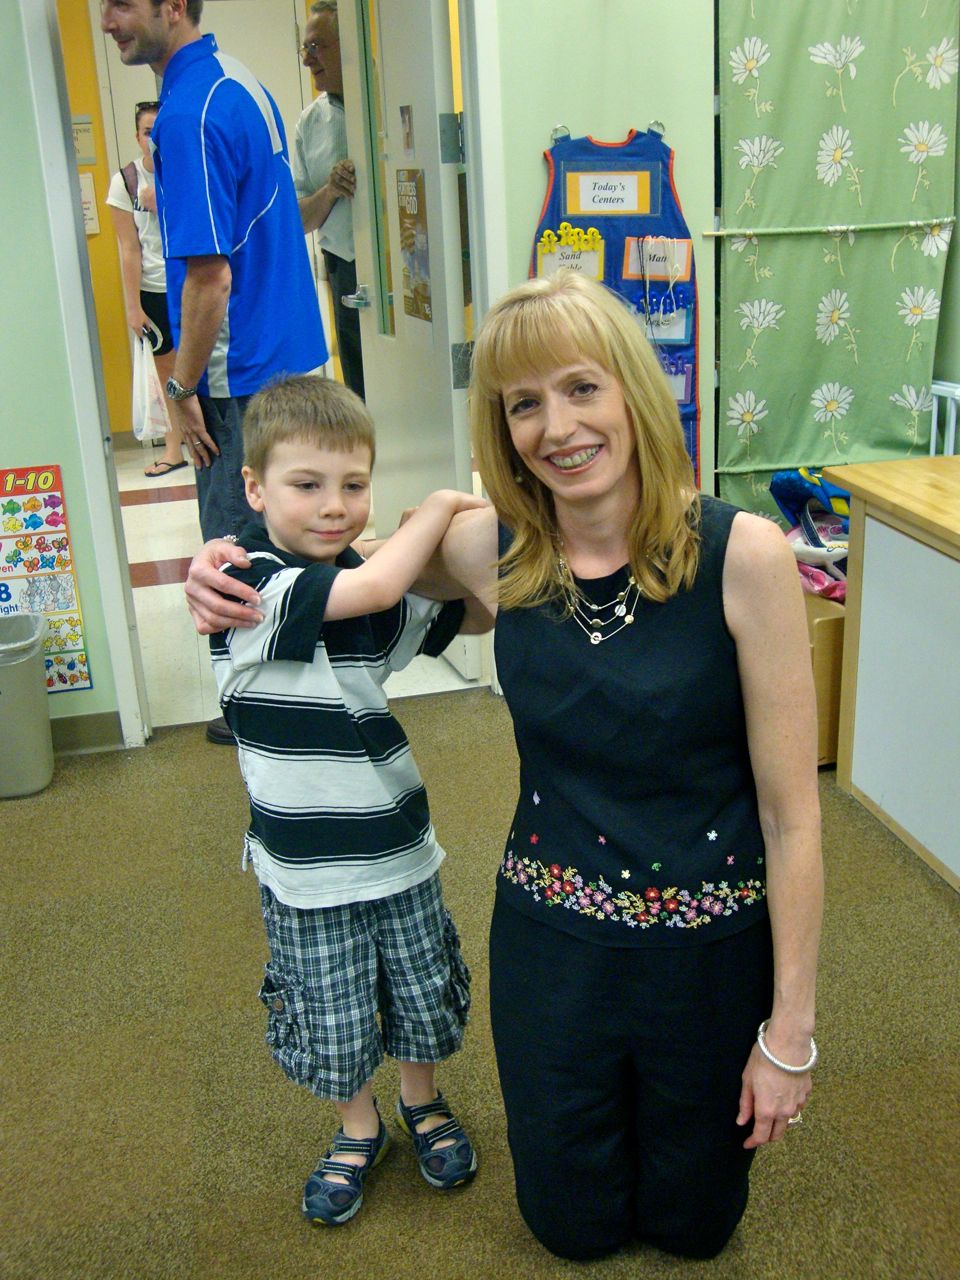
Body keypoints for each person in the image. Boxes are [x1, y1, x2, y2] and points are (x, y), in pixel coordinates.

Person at [184, 270, 823, 1262]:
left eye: (579, 388)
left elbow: (794, 821)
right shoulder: (498, 547)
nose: (555, 425)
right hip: (552, 940)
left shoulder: (745, 556)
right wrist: (221, 563)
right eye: (523, 403)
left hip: (707, 946)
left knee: (697, 1225)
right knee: (569, 1227)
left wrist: (790, 1031)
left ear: (631, 392)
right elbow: (327, 549)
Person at [210, 374, 487, 1226]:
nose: (335, 508)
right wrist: (439, 507)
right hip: (306, 871)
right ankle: (357, 1125)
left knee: (418, 991)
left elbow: (464, 618)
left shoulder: (359, 576)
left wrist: (468, 556)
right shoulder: (251, 587)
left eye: (355, 485)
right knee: (330, 1013)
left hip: (398, 847)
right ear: (255, 489)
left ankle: (421, 1099)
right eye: (307, 484)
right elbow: (369, 592)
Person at [100, 0, 328, 745]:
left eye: (122, 4)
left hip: (242, 373)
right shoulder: (243, 82)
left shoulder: (188, 111)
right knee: (292, 532)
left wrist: (181, 389)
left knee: (233, 547)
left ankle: (258, 708)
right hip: (292, 354)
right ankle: (308, 691)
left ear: (173, 6)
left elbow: (208, 279)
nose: (109, 21)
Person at [105, 100, 186, 477]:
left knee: (204, 366)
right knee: (167, 372)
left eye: (159, 130)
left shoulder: (188, 171)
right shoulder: (125, 180)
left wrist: (164, 202)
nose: (153, 138)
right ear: (137, 137)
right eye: (146, 131)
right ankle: (174, 449)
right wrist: (132, 306)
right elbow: (128, 248)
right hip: (154, 288)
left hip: (192, 282)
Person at [293, 1, 365, 398]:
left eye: (317, 46)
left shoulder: (390, 99)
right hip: (345, 268)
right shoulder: (310, 123)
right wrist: (331, 190)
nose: (308, 60)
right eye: (304, 49)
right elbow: (298, 219)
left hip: (405, 266)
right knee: (358, 383)